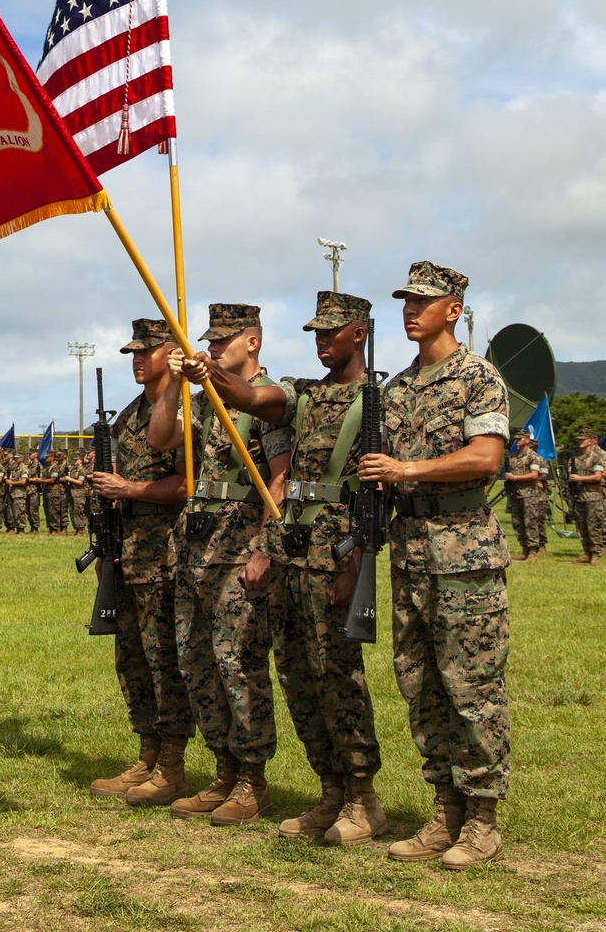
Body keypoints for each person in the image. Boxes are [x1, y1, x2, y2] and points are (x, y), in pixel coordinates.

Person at [190, 291, 387, 843]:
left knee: (338, 677)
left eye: (332, 331)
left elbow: (377, 496)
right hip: (290, 553)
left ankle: (361, 797)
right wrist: (209, 371)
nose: (321, 340)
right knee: (298, 677)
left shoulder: (378, 401)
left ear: (360, 332)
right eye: (315, 332)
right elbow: (251, 396)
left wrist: (358, 564)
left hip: (336, 556)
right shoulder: (303, 394)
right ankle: (330, 792)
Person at [358, 261, 510, 869]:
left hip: (464, 552)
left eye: (424, 300)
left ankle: (482, 821)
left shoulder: (479, 376)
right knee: (419, 685)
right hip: (411, 552)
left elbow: (486, 457)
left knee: (472, 686)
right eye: (405, 299)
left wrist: (407, 471)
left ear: (454, 309)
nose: (410, 308)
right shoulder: (393, 390)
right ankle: (444, 809)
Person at [149, 303, 290, 827]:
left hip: (238, 551)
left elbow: (280, 478)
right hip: (196, 549)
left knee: (238, 665)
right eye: (210, 340)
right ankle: (223, 770)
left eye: (224, 340)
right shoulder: (207, 400)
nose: (212, 347)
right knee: (197, 662)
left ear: (251, 342)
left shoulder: (267, 402)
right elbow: (161, 438)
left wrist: (263, 547)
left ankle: (253, 780)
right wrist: (173, 387)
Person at [87, 319, 194, 807]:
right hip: (125, 550)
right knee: (131, 659)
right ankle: (147, 753)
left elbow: (185, 483)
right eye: (133, 351)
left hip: (164, 552)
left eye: (147, 350)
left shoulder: (181, 409)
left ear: (170, 352)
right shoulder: (130, 414)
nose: (137, 358)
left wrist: (127, 489)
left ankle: (172, 763)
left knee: (163, 658)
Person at [568, 426, 606, 565]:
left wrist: (579, 478)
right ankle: (586, 552)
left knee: (594, 525)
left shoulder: (597, 458)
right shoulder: (575, 458)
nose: (580, 442)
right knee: (581, 526)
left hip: (593, 496)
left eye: (583, 439)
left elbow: (598, 476)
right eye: (579, 439)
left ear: (590, 441)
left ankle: (596, 553)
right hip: (579, 496)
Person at [506, 431, 548, 562]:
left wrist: (515, 477)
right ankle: (524, 549)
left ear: (527, 440)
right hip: (516, 494)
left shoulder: (532, 457)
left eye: (520, 438)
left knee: (530, 522)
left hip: (529, 494)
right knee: (518, 523)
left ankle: (533, 552)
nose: (517, 440)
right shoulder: (512, 457)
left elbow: (534, 475)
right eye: (516, 438)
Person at [41, 451, 69, 534]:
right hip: (47, 491)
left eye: (47, 457)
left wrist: (40, 480)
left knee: (54, 511)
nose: (46, 458)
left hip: (54, 492)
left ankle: (56, 528)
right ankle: (51, 528)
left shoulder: (55, 467)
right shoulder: (47, 468)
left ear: (52, 458)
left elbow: (53, 480)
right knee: (48, 511)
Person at [67, 452, 90, 536]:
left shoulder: (82, 470)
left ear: (81, 461)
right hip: (73, 493)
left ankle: (82, 529)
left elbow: (80, 482)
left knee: (79, 510)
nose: (75, 461)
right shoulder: (74, 470)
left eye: (77, 460)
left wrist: (70, 479)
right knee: (73, 511)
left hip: (80, 493)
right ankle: (77, 528)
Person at [8, 454, 30, 533]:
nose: (15, 459)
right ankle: (17, 528)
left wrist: (12, 482)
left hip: (20, 493)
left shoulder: (24, 469)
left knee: (20, 512)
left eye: (17, 458)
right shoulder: (15, 469)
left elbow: (23, 481)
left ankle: (21, 529)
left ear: (22, 459)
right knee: (14, 512)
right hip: (14, 493)